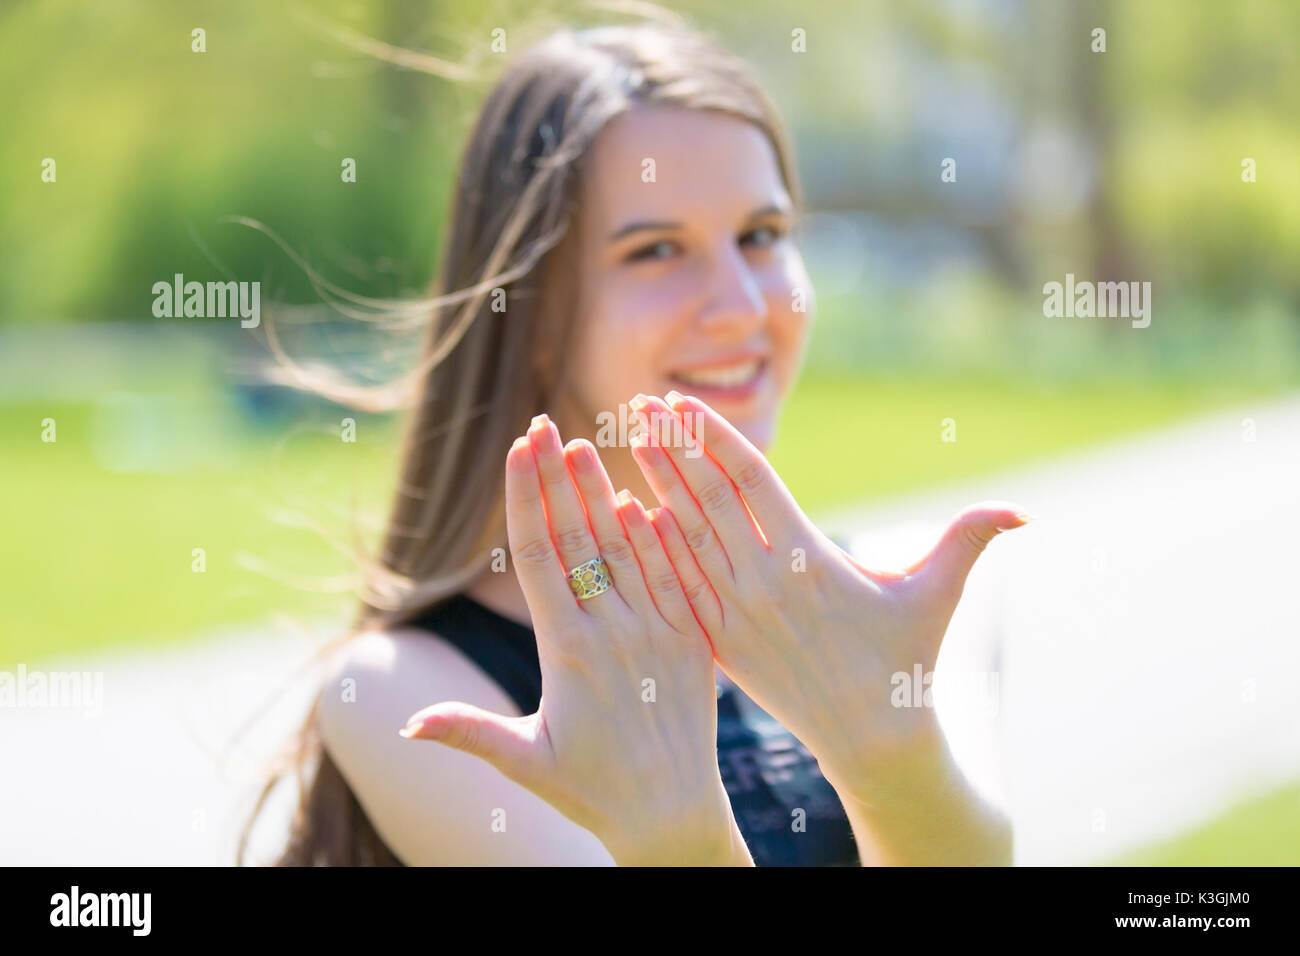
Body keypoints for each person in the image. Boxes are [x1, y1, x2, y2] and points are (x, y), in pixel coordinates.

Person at [243, 21, 1028, 866]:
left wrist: (893, 760)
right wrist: (676, 839)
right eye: (656, 250)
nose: (738, 305)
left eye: (762, 236)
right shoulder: (405, 693)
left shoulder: (905, 612)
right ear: (535, 315)